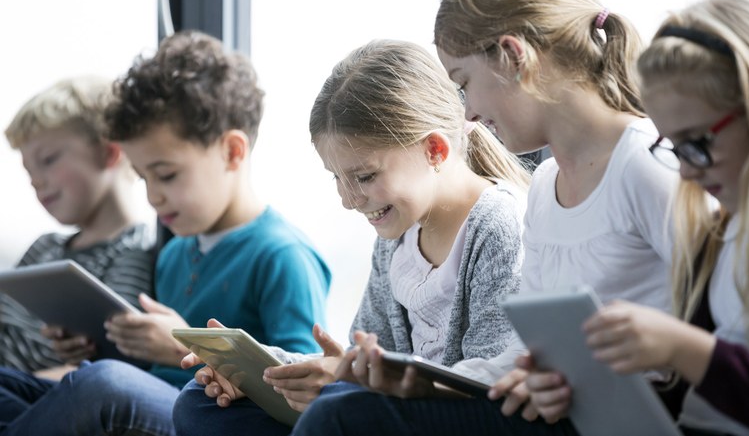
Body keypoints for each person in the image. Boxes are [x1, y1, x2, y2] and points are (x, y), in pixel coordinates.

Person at [287, 0, 681, 434]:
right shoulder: (546, 186)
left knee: (340, 416)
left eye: (465, 83)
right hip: (561, 413)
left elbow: (714, 336)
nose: (469, 114)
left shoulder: (646, 167)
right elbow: (523, 356)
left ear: (514, 57)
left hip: (614, 422)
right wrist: (417, 381)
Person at [171, 38, 532, 436]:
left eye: (364, 177)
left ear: (434, 149)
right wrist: (262, 368)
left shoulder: (498, 224)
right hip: (390, 410)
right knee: (199, 402)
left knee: (338, 412)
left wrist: (348, 384)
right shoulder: (397, 236)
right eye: (337, 179)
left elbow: (485, 385)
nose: (348, 200)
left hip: (456, 419)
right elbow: (366, 362)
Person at [0, 30, 331, 436]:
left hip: (210, 419)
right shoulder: (174, 252)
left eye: (167, 175)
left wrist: (183, 351)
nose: (154, 197)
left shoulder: (282, 254)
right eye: (143, 179)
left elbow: (305, 390)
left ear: (232, 152)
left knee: (102, 384)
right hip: (158, 402)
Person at [524, 0, 749, 435]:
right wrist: (572, 391)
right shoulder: (720, 237)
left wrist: (685, 350)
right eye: (673, 146)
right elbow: (684, 399)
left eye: (697, 142)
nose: (686, 171)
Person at [1, 75, 155, 378]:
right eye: (29, 171)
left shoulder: (134, 253)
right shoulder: (44, 247)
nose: (36, 181)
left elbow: (109, 368)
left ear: (109, 152)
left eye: (47, 160)